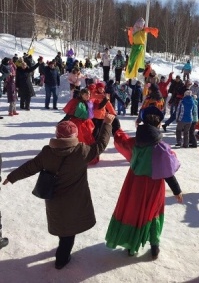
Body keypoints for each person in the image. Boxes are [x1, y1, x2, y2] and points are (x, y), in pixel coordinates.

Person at [2, 115, 115, 269]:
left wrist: (12, 176)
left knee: (62, 225)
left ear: (57, 135)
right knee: (69, 231)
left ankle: (63, 246)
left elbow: (31, 166)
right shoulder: (81, 151)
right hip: (76, 200)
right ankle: (61, 260)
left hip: (54, 199)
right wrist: (107, 124)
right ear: (74, 135)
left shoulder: (48, 152)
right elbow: (101, 144)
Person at [105, 106, 183, 258]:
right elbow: (168, 172)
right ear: (158, 125)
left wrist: (115, 122)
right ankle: (154, 245)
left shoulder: (135, 142)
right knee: (153, 212)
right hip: (154, 185)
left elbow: (121, 139)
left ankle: (131, 245)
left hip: (134, 183)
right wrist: (176, 190)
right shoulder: (161, 148)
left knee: (133, 212)